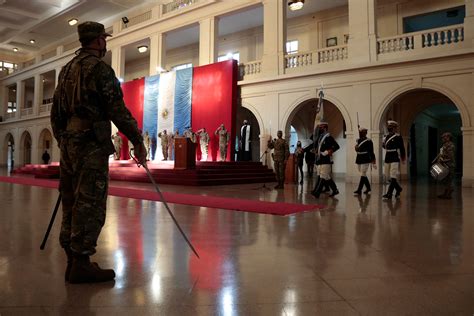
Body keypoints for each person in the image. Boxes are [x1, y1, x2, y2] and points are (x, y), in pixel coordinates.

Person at [50, 21, 147, 284]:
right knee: (89, 201)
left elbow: (56, 112)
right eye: (104, 39)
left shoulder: (66, 69)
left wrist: (64, 139)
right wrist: (137, 139)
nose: (105, 43)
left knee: (70, 199)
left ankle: (72, 260)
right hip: (90, 144)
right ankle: (81, 263)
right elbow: (117, 109)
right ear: (98, 41)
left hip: (70, 144)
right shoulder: (101, 69)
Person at [311, 122, 340, 198]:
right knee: (326, 176)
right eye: (319, 127)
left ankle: (317, 192)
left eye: (321, 127)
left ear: (325, 128)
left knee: (323, 176)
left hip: (326, 159)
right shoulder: (320, 137)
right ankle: (335, 190)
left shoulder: (328, 137)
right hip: (320, 159)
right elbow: (315, 143)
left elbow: (337, 146)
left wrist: (328, 151)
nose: (320, 129)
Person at [382, 120, 406, 200]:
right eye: (389, 126)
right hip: (387, 157)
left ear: (395, 128)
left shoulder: (398, 137)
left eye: (391, 127)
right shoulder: (386, 137)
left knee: (393, 175)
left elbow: (402, 148)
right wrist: (383, 144)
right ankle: (398, 189)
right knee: (388, 176)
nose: (389, 128)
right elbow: (385, 147)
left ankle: (389, 194)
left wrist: (403, 158)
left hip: (395, 157)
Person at [353, 127, 376, 195]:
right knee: (363, 173)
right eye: (360, 132)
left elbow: (371, 151)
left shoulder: (368, 141)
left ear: (365, 133)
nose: (360, 133)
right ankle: (368, 188)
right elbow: (358, 149)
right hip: (359, 158)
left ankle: (359, 190)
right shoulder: (358, 140)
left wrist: (373, 160)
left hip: (365, 158)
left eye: (361, 132)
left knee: (363, 173)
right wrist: (356, 148)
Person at [436, 132, 455, 199]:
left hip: (449, 165)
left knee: (449, 179)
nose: (443, 139)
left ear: (448, 138)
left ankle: (449, 193)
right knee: (445, 179)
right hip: (444, 164)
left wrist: (442, 160)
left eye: (444, 137)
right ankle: (446, 192)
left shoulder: (450, 145)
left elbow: (450, 157)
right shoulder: (444, 145)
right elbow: (441, 154)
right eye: (442, 137)